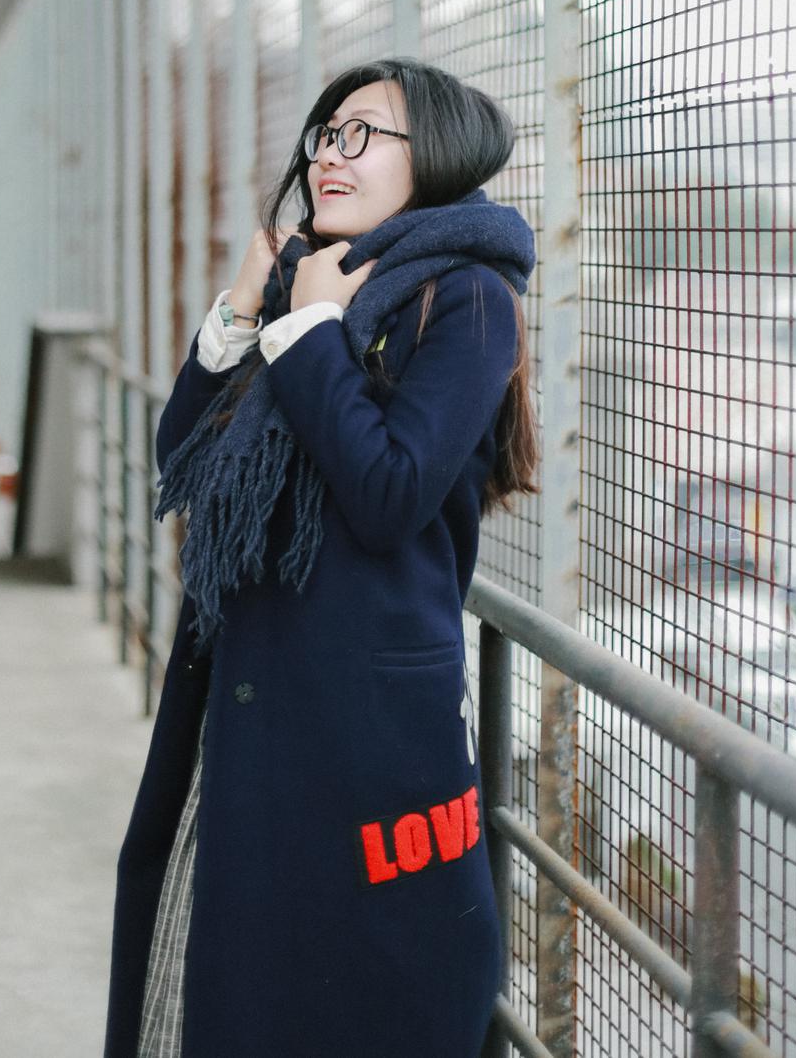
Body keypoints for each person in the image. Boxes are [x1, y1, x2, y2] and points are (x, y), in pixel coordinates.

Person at [103, 56, 539, 1058]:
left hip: (369, 724)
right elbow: (183, 459)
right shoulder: (316, 276)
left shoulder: (467, 299)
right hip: (256, 694)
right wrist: (242, 311)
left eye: (362, 135)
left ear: (436, 155)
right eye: (324, 136)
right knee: (253, 985)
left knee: (371, 989)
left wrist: (306, 329)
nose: (329, 157)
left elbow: (388, 494)